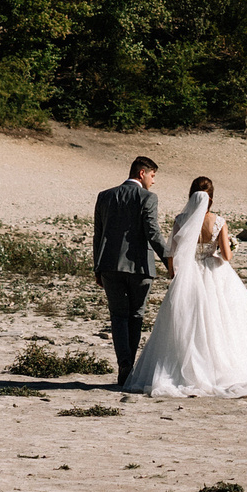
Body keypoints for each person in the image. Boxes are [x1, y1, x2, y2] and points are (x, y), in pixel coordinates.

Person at [117, 175, 247, 397]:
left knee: (187, 324)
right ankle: (219, 369)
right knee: (223, 322)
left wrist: (174, 273)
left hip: (189, 275)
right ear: (211, 200)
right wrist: (226, 247)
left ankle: (184, 370)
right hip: (215, 274)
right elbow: (226, 256)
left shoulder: (180, 220)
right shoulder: (219, 222)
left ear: (190, 197)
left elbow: (172, 254)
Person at [92, 155, 170, 386]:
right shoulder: (147, 198)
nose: (153, 182)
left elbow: (99, 234)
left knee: (117, 316)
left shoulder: (105, 196)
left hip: (109, 266)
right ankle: (130, 366)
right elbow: (153, 233)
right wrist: (169, 261)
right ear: (141, 173)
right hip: (140, 267)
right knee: (136, 315)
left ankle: (124, 363)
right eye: (153, 176)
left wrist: (97, 266)